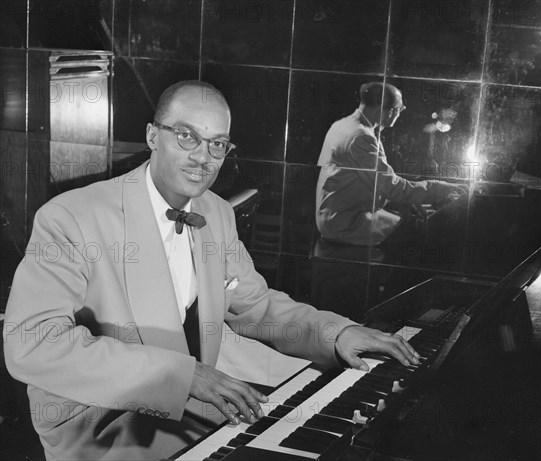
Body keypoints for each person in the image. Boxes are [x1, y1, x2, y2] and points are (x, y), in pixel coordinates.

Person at [3, 81, 421, 460]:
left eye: (218, 144)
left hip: (187, 400)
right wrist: (183, 377)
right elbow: (34, 344)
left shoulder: (216, 212)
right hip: (102, 421)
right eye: (186, 136)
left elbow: (255, 307)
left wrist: (336, 332)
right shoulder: (71, 217)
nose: (202, 157)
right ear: (153, 136)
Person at [316, 82, 468, 246]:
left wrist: (408, 203)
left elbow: (356, 183)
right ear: (383, 109)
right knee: (426, 234)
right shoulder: (361, 136)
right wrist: (439, 188)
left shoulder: (342, 125)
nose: (400, 112)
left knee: (413, 224)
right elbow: (390, 187)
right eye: (398, 108)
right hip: (347, 223)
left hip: (335, 217)